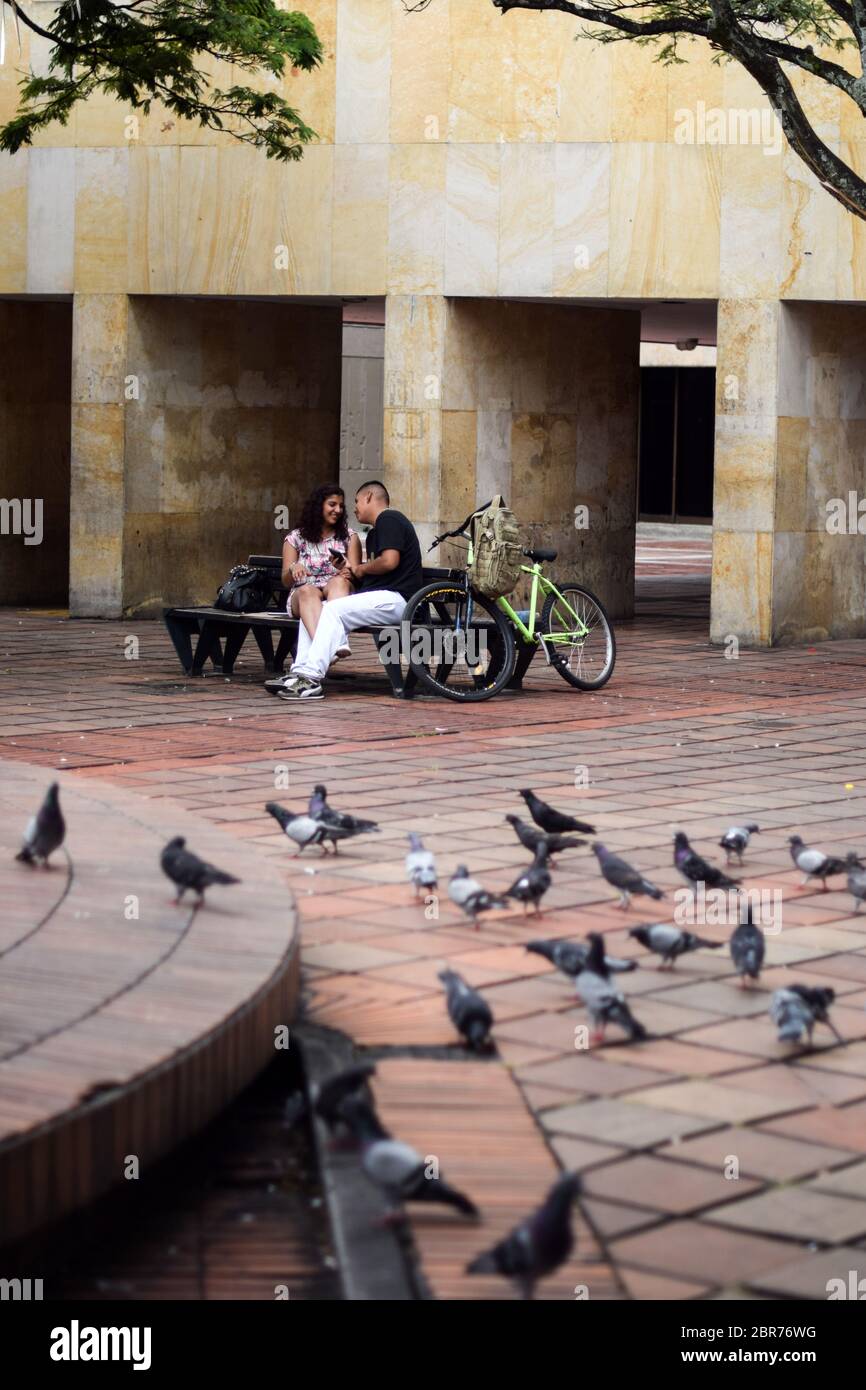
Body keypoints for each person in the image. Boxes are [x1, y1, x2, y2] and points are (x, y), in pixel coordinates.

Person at [273, 480, 423, 703]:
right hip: (384, 598)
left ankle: (311, 678)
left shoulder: (389, 519)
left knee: (332, 610)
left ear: (369, 497)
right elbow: (373, 576)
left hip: (401, 600)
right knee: (320, 609)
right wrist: (348, 569)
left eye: (355, 502)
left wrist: (359, 569)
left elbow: (389, 562)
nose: (352, 508)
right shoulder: (375, 533)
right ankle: (301, 671)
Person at [281, 484, 361, 658]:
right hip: (304, 594)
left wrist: (347, 571)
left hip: (337, 590)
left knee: (339, 582)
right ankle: (333, 645)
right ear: (318, 506)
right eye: (332, 505)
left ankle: (327, 648)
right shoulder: (295, 538)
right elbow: (285, 581)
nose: (338, 510)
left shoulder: (349, 537)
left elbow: (356, 575)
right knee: (306, 591)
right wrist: (293, 568)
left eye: (341, 506)